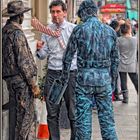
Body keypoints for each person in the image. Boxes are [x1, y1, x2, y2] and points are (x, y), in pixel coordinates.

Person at [61, 0, 119, 139]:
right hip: (103, 79)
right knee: (107, 123)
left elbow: (67, 57)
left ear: (83, 13)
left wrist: (64, 77)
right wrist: (113, 82)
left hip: (84, 80)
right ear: (95, 12)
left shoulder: (79, 30)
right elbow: (116, 60)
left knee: (83, 124)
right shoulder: (110, 31)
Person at [35, 1, 77, 140]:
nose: (55, 15)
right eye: (53, 12)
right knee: (52, 112)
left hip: (70, 73)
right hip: (53, 74)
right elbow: (42, 55)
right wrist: (39, 49)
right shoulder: (47, 31)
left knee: (73, 111)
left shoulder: (73, 29)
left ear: (65, 12)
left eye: (58, 11)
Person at [2, 1, 40, 139]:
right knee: (25, 118)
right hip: (21, 82)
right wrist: (33, 84)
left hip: (10, 80)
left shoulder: (5, 31)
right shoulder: (17, 33)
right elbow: (24, 62)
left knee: (17, 115)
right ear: (19, 17)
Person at [117, 23, 138, 103]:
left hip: (121, 63)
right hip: (132, 64)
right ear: (129, 29)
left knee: (123, 81)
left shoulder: (118, 40)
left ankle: (125, 98)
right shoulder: (135, 40)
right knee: (136, 81)